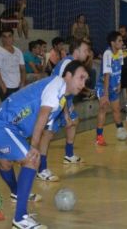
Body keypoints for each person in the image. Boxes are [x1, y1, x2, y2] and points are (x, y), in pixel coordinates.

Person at [0, 60, 88, 229]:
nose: (83, 84)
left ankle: (17, 193)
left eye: (85, 80)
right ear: (68, 75)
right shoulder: (57, 84)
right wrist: (35, 146)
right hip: (3, 126)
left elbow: (44, 119)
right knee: (32, 159)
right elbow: (42, 116)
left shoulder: (60, 93)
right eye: (81, 78)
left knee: (5, 163)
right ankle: (20, 218)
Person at [34, 40, 90, 178]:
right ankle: (41, 169)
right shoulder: (67, 64)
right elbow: (58, 88)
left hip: (65, 99)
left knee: (74, 121)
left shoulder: (76, 64)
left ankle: (69, 154)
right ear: (76, 51)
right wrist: (65, 114)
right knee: (48, 133)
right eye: (85, 50)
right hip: (54, 99)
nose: (87, 53)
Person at [95, 31, 127, 146]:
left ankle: (121, 131)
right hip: (103, 87)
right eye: (120, 41)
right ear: (112, 43)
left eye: (122, 40)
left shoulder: (120, 52)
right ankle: (99, 137)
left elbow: (119, 69)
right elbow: (107, 75)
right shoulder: (108, 53)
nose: (122, 42)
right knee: (103, 109)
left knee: (116, 109)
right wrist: (105, 94)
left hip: (114, 86)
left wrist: (119, 83)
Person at [0, 28, 26, 101]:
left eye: (9, 36)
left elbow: (23, 69)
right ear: (1, 38)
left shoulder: (18, 51)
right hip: (6, 88)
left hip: (18, 86)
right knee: (8, 110)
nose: (7, 39)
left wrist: (22, 83)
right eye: (4, 36)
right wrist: (3, 87)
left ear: (13, 37)